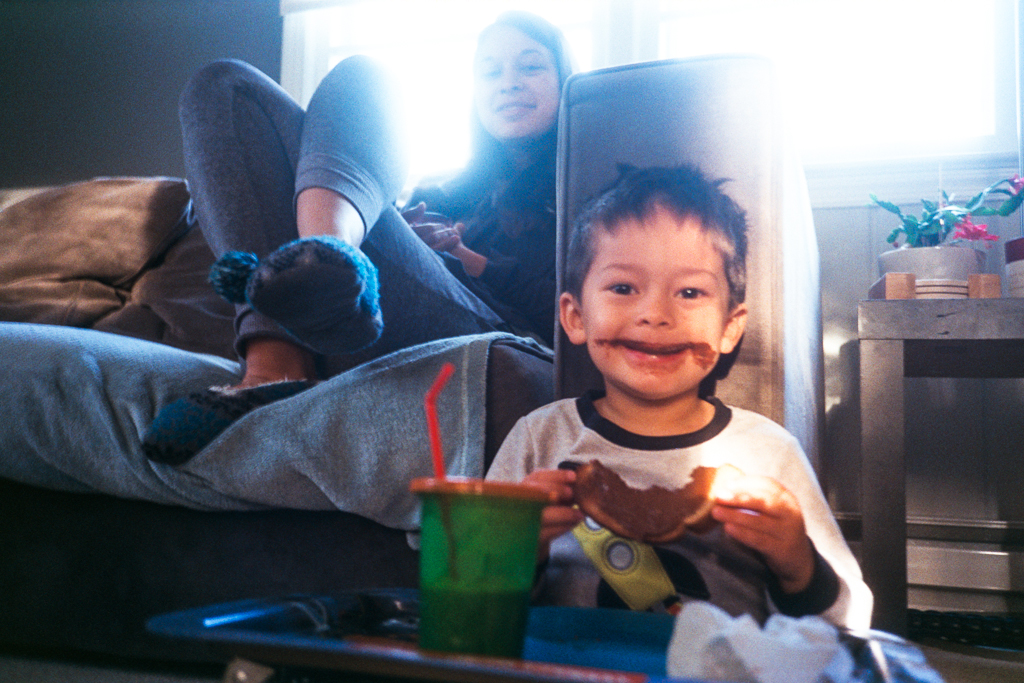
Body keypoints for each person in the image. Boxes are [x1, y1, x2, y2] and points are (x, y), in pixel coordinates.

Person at [144, 11, 573, 463]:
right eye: (490, 72)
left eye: (530, 66)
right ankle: (286, 339)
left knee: (369, 80)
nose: (508, 83)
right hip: (364, 316)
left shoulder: (592, 186)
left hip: (499, 328)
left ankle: (330, 268)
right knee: (226, 85)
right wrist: (399, 234)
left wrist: (470, 260)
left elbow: (588, 310)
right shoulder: (441, 192)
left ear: (565, 79)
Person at [485, 165, 872, 629]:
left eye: (689, 292)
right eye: (623, 288)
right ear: (575, 316)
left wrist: (799, 566)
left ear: (730, 327)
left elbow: (850, 620)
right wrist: (514, 553)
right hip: (570, 660)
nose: (655, 313)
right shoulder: (539, 438)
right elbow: (474, 599)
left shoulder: (768, 454)